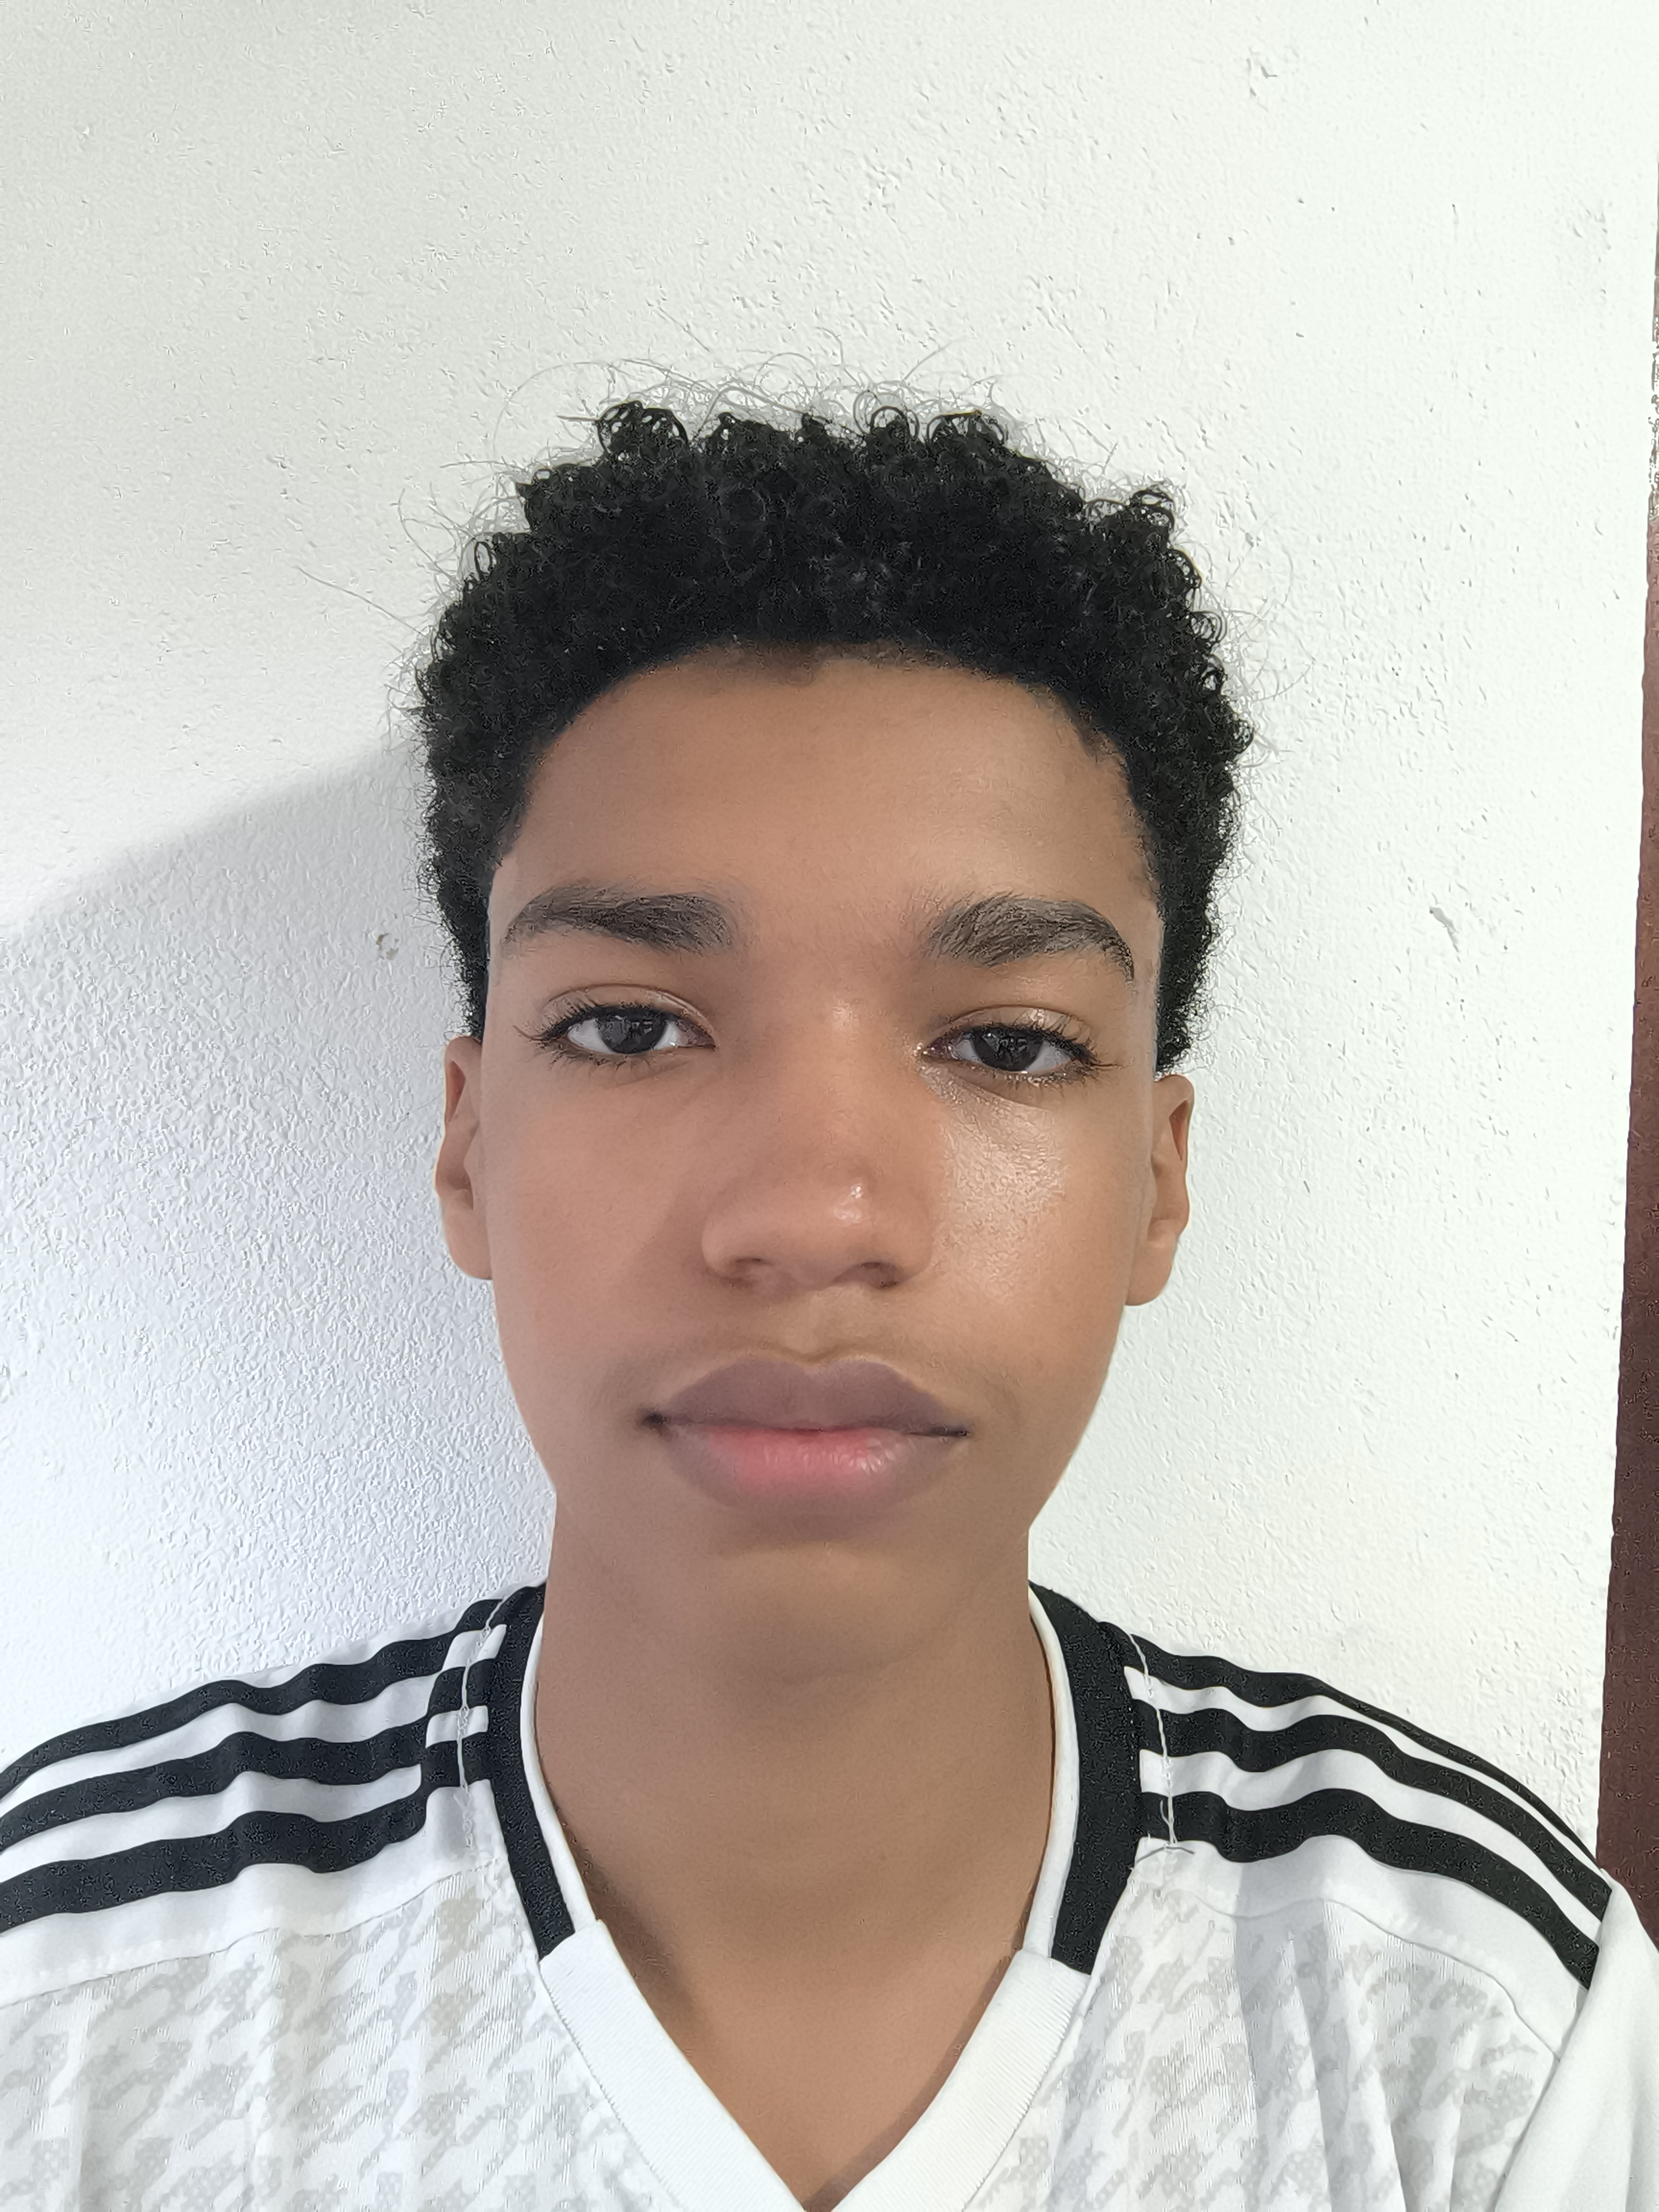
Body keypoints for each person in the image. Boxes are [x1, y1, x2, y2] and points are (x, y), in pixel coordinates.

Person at [1, 399, 1653, 2212]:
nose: (811, 1218)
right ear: (467, 1149)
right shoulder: (67, 1993)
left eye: (1006, 1046)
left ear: (1157, 1179)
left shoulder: (1480, 2020)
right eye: (631, 1026)